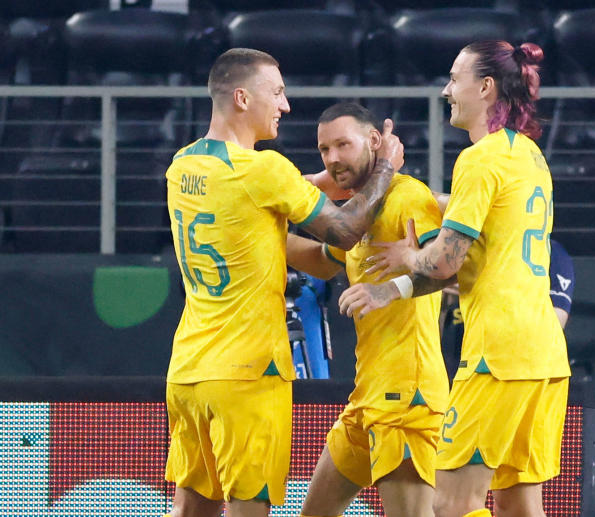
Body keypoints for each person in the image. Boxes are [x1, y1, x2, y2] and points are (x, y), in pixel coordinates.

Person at [163, 48, 401, 517]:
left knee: (191, 510)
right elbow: (346, 229)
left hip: (189, 372)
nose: (285, 104)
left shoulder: (183, 166)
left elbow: (313, 244)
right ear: (241, 97)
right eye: (276, 91)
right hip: (248, 374)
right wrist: (387, 166)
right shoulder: (263, 171)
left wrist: (331, 189)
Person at [338, 40, 568, 517]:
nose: (446, 90)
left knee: (450, 505)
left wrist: (404, 262)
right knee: (518, 504)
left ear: (485, 87)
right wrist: (401, 277)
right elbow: (483, 242)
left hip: (498, 356)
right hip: (545, 356)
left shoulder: (480, 159)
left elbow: (443, 262)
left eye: (453, 78)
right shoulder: (529, 156)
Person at [294, 102, 448, 517]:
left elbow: (450, 270)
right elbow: (321, 257)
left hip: (406, 400)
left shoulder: (408, 197)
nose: (333, 158)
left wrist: (394, 287)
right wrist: (256, 233)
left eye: (343, 144)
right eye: (325, 149)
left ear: (375, 141)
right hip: (366, 399)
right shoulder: (356, 214)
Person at [440, 239, 575, 383]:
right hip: (457, 377)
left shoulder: (551, 252)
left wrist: (484, 287)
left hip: (518, 375)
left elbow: (554, 325)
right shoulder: (471, 247)